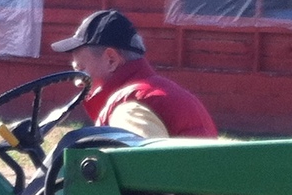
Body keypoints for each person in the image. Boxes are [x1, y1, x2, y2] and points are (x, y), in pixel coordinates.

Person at [51, 9, 218, 141]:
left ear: (111, 60)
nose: (78, 83)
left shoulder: (129, 108)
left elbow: (140, 177)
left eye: (81, 69)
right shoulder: (160, 92)